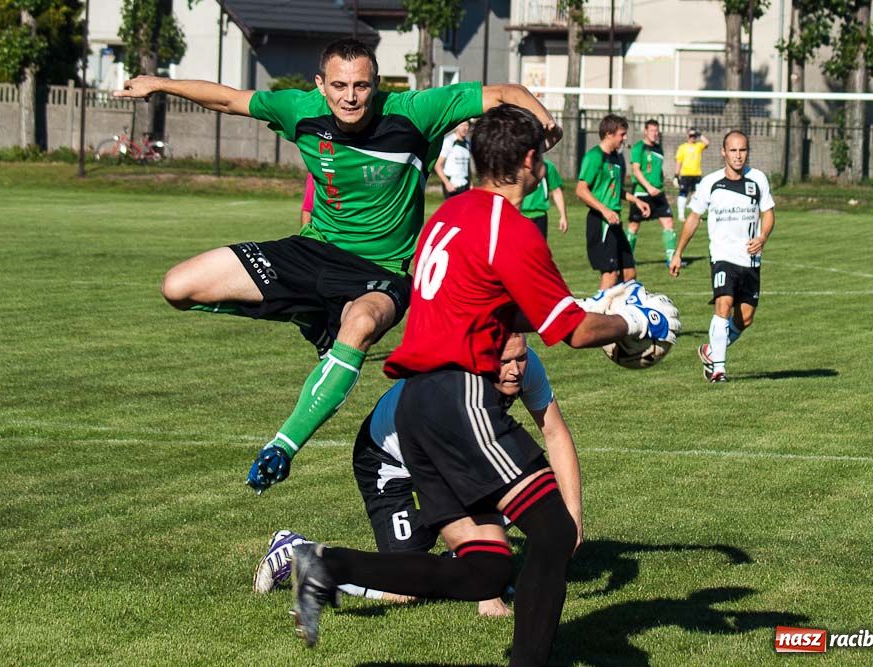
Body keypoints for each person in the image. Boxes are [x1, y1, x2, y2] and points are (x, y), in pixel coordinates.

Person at [286, 104, 679, 666]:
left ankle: (324, 565)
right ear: (527, 161)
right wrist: (637, 320)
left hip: (414, 405)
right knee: (550, 532)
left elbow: (490, 310)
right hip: (459, 395)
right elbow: (570, 332)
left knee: (485, 568)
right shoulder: (509, 229)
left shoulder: (450, 214)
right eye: (540, 155)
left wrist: (589, 306)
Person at [113, 39, 562, 492]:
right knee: (178, 286)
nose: (351, 96)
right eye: (340, 85)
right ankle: (308, 313)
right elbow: (229, 98)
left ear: (377, 84)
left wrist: (543, 120)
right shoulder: (300, 109)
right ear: (320, 85)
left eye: (362, 85)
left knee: (362, 322)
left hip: (382, 271)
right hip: (313, 253)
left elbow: (505, 91)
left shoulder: (415, 110)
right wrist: (159, 84)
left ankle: (282, 447)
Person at [254, 333, 580, 619]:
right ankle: (297, 552)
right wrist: (488, 594)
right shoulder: (457, 390)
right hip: (384, 459)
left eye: (521, 357)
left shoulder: (527, 367)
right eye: (504, 361)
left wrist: (572, 520)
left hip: (434, 453)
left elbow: (555, 433)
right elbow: (477, 481)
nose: (516, 369)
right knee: (407, 588)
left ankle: (463, 556)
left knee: (523, 490)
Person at [668, 130, 775, 383]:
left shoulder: (757, 179)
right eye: (733, 150)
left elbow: (768, 213)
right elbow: (694, 218)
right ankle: (719, 370)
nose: (738, 156)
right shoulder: (710, 183)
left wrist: (762, 237)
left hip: (750, 259)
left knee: (745, 318)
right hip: (722, 256)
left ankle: (710, 351)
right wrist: (678, 253)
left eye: (743, 150)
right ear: (723, 152)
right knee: (724, 305)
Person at [575, 114, 650, 297]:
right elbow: (581, 190)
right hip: (601, 222)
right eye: (622, 134)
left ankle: (625, 316)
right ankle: (595, 315)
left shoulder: (616, 158)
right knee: (610, 274)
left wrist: (637, 200)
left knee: (629, 273)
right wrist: (605, 210)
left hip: (614, 222)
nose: (625, 138)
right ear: (609, 133)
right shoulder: (594, 156)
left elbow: (616, 189)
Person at [626, 119, 678, 264]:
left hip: (658, 193)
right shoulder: (639, 148)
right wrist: (648, 187)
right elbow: (635, 170)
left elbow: (657, 169)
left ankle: (671, 259)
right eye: (652, 131)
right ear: (645, 131)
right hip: (642, 193)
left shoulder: (659, 149)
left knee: (668, 222)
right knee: (634, 226)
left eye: (657, 131)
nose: (655, 134)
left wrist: (660, 182)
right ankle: (627, 259)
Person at [519, 157, 569, 237]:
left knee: (539, 248)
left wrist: (563, 216)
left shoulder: (547, 166)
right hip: (520, 215)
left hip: (540, 216)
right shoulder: (516, 166)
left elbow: (556, 191)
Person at [674, 127, 710, 222]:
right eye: (691, 135)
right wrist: (676, 175)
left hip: (696, 174)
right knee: (683, 194)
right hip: (685, 174)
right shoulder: (682, 147)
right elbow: (678, 161)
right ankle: (681, 215)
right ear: (687, 136)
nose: (692, 137)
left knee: (697, 196)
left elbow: (707, 143)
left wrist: (700, 134)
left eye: (694, 136)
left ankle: (696, 216)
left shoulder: (698, 146)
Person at [434, 120, 472, 198]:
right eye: (462, 125)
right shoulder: (449, 141)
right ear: (456, 126)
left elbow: (467, 166)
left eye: (466, 125)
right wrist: (447, 183)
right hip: (453, 185)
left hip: (465, 185)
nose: (464, 128)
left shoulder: (467, 143)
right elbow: (438, 165)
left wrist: (470, 183)